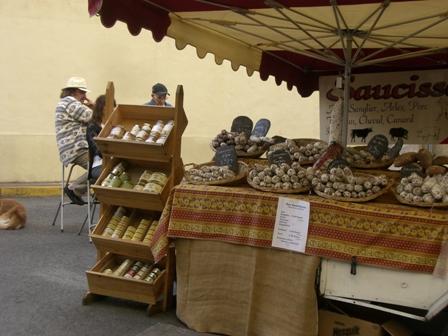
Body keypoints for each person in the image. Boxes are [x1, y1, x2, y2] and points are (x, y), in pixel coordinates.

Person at [55, 76, 93, 205]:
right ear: (73, 91)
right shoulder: (70, 102)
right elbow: (92, 116)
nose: (84, 95)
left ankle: (82, 189)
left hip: (71, 149)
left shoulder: (65, 102)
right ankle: (75, 188)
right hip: (76, 148)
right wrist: (93, 105)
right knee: (104, 168)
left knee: (103, 166)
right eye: (82, 92)